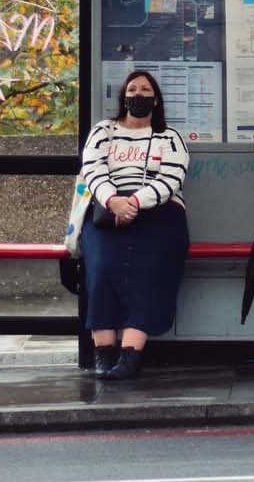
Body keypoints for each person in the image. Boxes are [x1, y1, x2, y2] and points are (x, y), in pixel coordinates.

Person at [77, 71, 191, 380]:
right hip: (107, 210)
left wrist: (135, 203)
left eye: (144, 89)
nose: (137, 94)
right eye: (132, 89)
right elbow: (92, 168)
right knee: (101, 268)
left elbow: (171, 178)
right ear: (123, 96)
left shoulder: (170, 137)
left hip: (159, 213)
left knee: (149, 268)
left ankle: (130, 353)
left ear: (156, 99)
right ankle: (104, 352)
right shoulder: (103, 131)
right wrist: (114, 201)